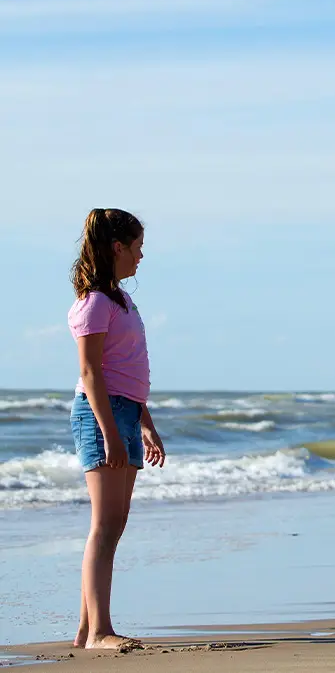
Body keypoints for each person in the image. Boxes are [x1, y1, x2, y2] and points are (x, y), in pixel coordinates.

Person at [67, 209, 166, 650]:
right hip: (99, 415)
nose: (141, 256)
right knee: (104, 527)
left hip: (124, 413)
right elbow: (90, 374)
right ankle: (100, 632)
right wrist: (109, 433)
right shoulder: (94, 302)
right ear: (116, 247)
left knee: (115, 525)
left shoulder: (122, 300)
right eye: (137, 247)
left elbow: (127, 372)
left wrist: (145, 424)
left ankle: (88, 629)